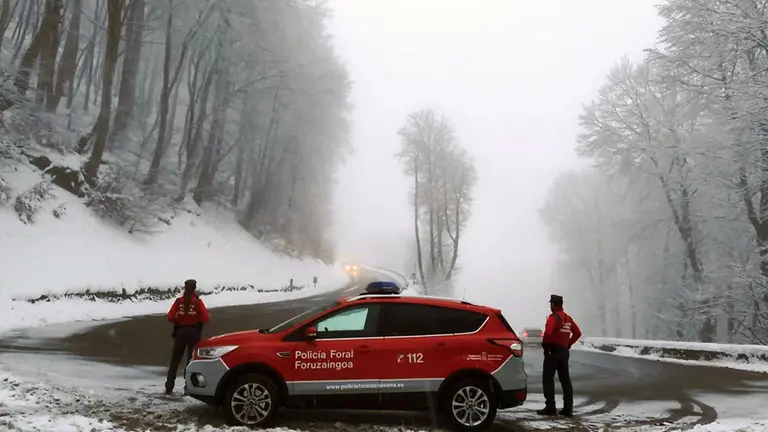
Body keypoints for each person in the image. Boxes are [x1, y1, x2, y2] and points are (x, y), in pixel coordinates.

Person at [537, 294, 581, 417]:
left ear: (553, 305)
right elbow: (578, 333)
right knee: (565, 380)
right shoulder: (568, 318)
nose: (550, 306)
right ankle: (568, 408)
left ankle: (550, 407)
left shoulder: (553, 318)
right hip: (564, 352)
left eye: (551, 304)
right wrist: (568, 344)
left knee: (548, 379)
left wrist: (545, 345)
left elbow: (548, 334)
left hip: (553, 352)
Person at [165, 279, 210, 395]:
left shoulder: (179, 301)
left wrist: (178, 319)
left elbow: (170, 316)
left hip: (180, 332)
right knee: (191, 361)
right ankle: (188, 388)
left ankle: (169, 387)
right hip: (194, 333)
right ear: (195, 288)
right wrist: (196, 319)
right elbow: (205, 318)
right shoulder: (198, 302)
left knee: (175, 360)